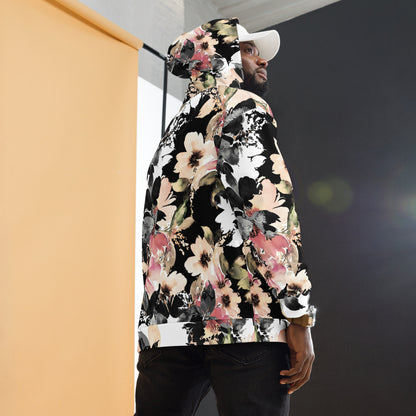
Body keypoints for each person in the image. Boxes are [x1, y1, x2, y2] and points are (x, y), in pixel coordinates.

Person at [135, 17, 316, 416]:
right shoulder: (243, 107)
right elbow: (267, 214)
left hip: (167, 328)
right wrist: (298, 314)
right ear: (223, 55)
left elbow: (154, 233)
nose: (262, 61)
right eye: (249, 51)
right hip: (243, 322)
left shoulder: (172, 132)